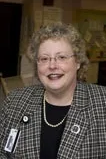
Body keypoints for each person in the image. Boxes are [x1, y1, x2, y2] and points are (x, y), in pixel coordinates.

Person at [0, 22, 106, 159]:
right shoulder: (15, 102)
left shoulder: (102, 104)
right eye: (44, 59)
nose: (52, 65)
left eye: (61, 57)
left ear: (78, 61)